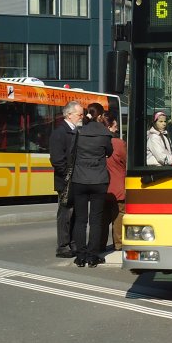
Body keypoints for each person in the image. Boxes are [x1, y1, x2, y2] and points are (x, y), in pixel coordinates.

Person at [70, 102, 113, 267]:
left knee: (80, 219)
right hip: (99, 179)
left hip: (79, 179)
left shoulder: (79, 131)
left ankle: (80, 256)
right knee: (96, 219)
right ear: (100, 116)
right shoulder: (105, 132)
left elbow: (71, 151)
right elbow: (109, 152)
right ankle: (93, 256)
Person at [50, 101, 83, 258]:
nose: (82, 117)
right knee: (65, 213)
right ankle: (63, 246)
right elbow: (57, 160)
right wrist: (67, 176)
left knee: (75, 213)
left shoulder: (76, 131)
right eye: (79, 114)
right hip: (65, 181)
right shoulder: (60, 132)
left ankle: (73, 243)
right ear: (69, 115)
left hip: (76, 179)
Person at [103, 110, 127, 251]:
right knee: (119, 215)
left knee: (102, 217)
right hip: (118, 185)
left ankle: (99, 244)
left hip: (102, 186)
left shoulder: (97, 142)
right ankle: (119, 244)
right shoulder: (118, 143)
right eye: (115, 126)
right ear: (110, 126)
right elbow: (126, 161)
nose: (117, 129)